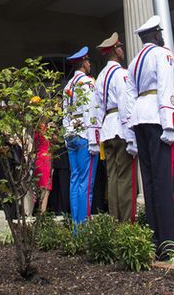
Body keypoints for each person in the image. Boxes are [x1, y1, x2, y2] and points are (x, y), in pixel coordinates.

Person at [127, 15, 174, 255]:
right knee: (164, 180)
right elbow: (166, 87)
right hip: (158, 117)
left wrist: (130, 134)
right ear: (156, 35)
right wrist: (170, 123)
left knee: (149, 181)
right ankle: (170, 242)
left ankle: (156, 238)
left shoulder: (134, 61)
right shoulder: (163, 54)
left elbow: (129, 98)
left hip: (139, 117)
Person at [90, 32, 137, 222]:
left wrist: (96, 136)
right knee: (126, 178)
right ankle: (127, 224)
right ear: (115, 51)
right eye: (120, 47)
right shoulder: (122, 74)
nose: (123, 50)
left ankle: (115, 220)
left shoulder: (101, 76)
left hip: (107, 129)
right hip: (121, 128)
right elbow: (126, 105)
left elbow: (96, 108)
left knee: (113, 178)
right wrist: (131, 135)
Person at [62, 47, 97, 227]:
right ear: (83, 63)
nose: (89, 64)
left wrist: (67, 133)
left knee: (74, 180)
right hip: (85, 134)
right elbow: (91, 111)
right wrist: (94, 138)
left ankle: (76, 226)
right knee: (86, 183)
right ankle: (83, 227)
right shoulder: (88, 83)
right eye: (88, 61)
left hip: (71, 134)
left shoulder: (68, 86)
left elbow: (65, 114)